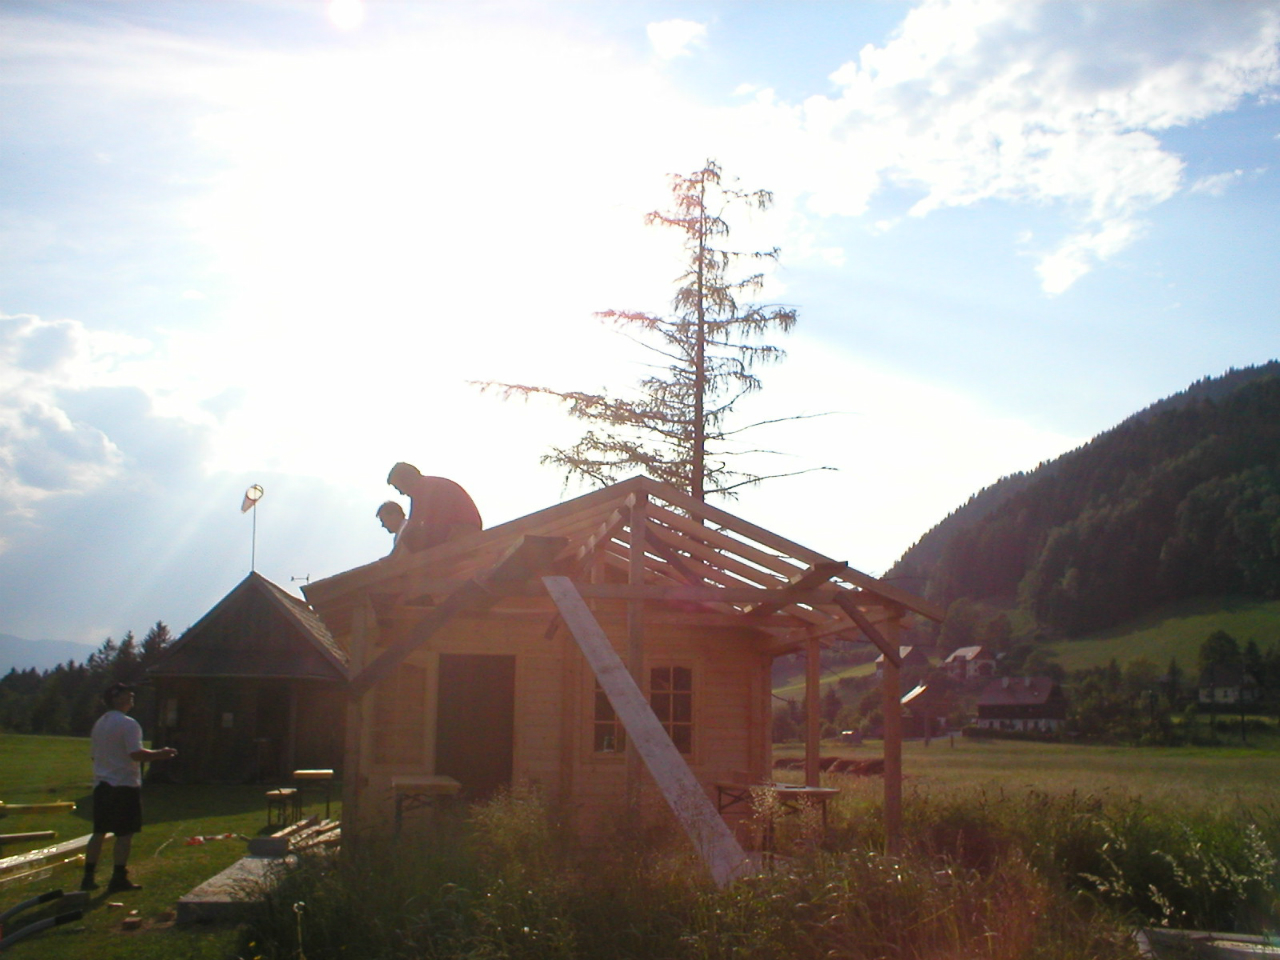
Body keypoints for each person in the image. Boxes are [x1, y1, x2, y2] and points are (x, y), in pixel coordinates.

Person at [82, 682, 177, 893]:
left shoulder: (100, 723)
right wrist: (161, 754)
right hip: (124, 785)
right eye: (127, 694)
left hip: (102, 785)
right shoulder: (128, 724)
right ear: (116, 698)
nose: (132, 697)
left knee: (99, 832)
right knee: (124, 834)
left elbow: (94, 755)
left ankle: (88, 877)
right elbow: (136, 754)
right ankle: (118, 877)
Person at [386, 462, 482, 553]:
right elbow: (413, 525)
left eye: (399, 488)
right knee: (412, 538)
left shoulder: (426, 488)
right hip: (457, 529)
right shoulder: (425, 487)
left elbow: (416, 527)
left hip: (463, 531)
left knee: (413, 539)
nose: (401, 493)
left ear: (407, 480)